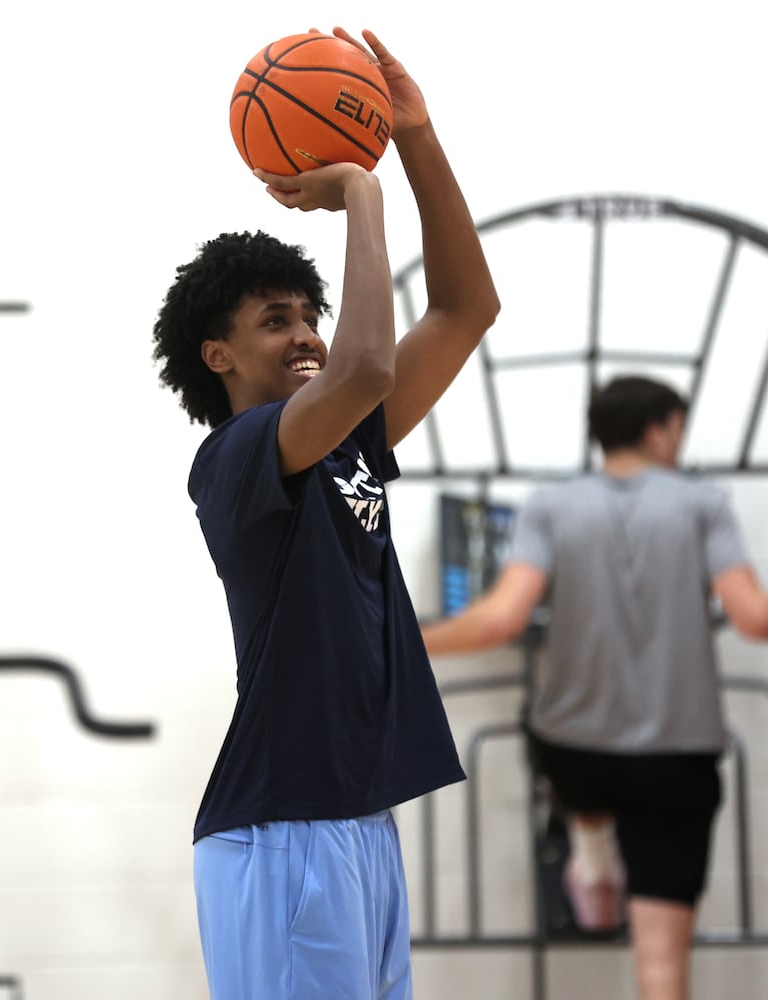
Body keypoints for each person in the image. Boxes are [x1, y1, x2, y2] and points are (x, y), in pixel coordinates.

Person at [150, 27, 499, 1000]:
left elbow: (467, 308)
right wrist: (361, 191)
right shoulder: (235, 457)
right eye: (276, 321)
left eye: (310, 314)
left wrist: (416, 138)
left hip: (355, 820)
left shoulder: (347, 441)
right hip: (280, 830)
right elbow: (370, 362)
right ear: (218, 355)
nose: (306, 332)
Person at [422, 375, 768, 1000]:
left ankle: (592, 845)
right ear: (661, 428)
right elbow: (756, 618)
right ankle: (597, 856)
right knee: (661, 968)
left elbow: (502, 619)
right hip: (675, 756)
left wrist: (408, 641)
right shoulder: (702, 504)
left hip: (575, 755)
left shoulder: (550, 506)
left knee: (558, 747)